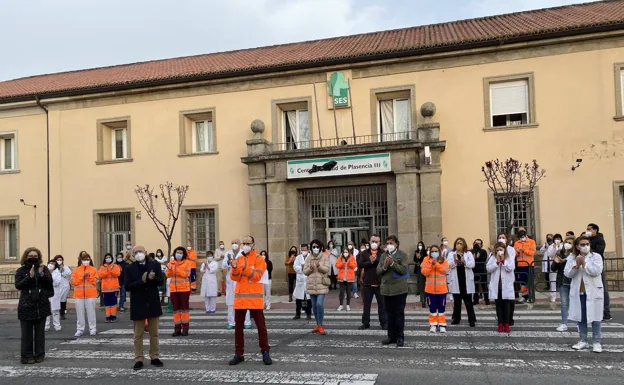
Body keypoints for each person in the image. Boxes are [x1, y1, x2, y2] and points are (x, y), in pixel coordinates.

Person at [228, 236, 272, 366]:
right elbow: (234, 277)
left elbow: (257, 275)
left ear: (253, 244)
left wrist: (242, 268)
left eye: (248, 243)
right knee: (238, 329)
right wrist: (235, 268)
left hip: (254, 299)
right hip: (241, 298)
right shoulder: (238, 259)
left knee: (261, 327)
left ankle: (265, 352)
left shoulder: (259, 259)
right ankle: (238, 354)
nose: (246, 245)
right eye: (244, 243)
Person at [124, 245, 164, 370]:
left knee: (154, 333)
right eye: (135, 252)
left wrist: (153, 279)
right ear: (133, 255)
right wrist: (140, 282)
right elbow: (127, 286)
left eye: (140, 251)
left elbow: (160, 281)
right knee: (138, 334)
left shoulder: (154, 265)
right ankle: (139, 358)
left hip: (152, 301)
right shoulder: (130, 268)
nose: (138, 254)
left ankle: (154, 356)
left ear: (145, 252)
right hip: (138, 302)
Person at [565, 236, 604, 353]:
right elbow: (567, 274)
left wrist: (585, 264)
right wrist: (576, 266)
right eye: (582, 244)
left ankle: (597, 342)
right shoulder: (572, 257)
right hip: (579, 292)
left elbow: (596, 271)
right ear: (577, 247)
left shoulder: (596, 257)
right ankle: (583, 340)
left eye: (587, 244)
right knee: (581, 318)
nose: (586, 246)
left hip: (593, 292)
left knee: (595, 318)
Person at [16, 247, 53, 364]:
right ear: (26, 257)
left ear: (39, 257)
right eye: (30, 256)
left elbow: (50, 283)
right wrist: (29, 277)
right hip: (26, 305)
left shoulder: (43, 268)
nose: (33, 258)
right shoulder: (21, 270)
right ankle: (26, 356)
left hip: (41, 305)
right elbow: (18, 285)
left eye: (35, 256)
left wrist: (43, 275)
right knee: (26, 334)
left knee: (40, 334)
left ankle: (39, 355)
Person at [376, 235, 409, 346]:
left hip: (399, 289)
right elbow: (378, 271)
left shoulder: (402, 255)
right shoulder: (383, 256)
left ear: (396, 244)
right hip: (386, 289)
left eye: (391, 243)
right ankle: (391, 336)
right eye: (387, 243)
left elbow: (404, 270)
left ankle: (400, 337)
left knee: (398, 313)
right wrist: (385, 266)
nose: (389, 245)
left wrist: (393, 264)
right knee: (389, 314)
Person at [358, 235, 387, 330]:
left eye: (376, 242)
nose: (374, 243)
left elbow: (384, 265)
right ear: (370, 242)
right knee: (366, 304)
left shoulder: (383, 253)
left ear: (379, 243)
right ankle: (365, 323)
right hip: (367, 282)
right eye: (373, 241)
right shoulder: (365, 253)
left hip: (380, 282)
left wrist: (375, 261)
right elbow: (360, 264)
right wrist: (370, 262)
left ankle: (384, 323)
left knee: (382, 304)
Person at [222, 239, 252, 329]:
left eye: (236, 243)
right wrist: (228, 262)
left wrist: (237, 264)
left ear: (240, 244)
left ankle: (247, 321)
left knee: (244, 301)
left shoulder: (244, 253)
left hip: (241, 280)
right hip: (231, 281)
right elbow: (223, 265)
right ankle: (231, 322)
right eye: (232, 243)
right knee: (231, 302)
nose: (234, 244)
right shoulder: (228, 253)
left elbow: (247, 264)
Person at [447, 238, 477, 327]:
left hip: (466, 280)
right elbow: (448, 264)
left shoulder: (468, 254)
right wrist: (455, 261)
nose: (459, 245)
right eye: (457, 243)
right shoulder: (451, 254)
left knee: (468, 301)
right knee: (457, 301)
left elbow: (472, 264)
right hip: (456, 280)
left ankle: (471, 320)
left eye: (461, 243)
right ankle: (456, 319)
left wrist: (465, 261)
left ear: (464, 244)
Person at [303, 239, 330, 335]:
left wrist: (319, 266)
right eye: (313, 247)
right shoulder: (308, 258)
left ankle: (321, 324)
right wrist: (310, 268)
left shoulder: (325, 257)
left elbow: (327, 269)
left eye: (317, 247)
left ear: (320, 247)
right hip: (311, 285)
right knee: (314, 306)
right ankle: (318, 324)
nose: (315, 248)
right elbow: (305, 271)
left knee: (319, 304)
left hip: (321, 284)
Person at [488, 242, 515, 333]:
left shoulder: (509, 258)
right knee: (498, 306)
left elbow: (511, 268)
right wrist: (497, 262)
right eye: (498, 249)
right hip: (497, 286)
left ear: (504, 250)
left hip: (506, 286)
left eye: (501, 250)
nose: (499, 251)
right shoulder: (492, 258)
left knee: (507, 306)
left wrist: (503, 261)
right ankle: (500, 323)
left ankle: (506, 324)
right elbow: (489, 268)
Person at [422, 245, 449, 334]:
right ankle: (433, 325)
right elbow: (424, 272)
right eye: (432, 251)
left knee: (441, 309)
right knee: (432, 309)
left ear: (439, 251)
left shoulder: (444, 260)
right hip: (430, 290)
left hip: (442, 290)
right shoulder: (426, 260)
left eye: (436, 251)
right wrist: (431, 265)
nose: (434, 253)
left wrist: (436, 264)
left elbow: (445, 270)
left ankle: (442, 325)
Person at [586, 223, 610, 321]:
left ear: (595, 230)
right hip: (587, 266)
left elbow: (599, 252)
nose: (587, 231)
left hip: (597, 267)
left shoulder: (600, 240)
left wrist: (587, 249)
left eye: (589, 229)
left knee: (602, 288)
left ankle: (606, 312)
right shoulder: (587, 240)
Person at [166, 246, 191, 336]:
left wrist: (175, 269)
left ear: (183, 254)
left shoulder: (187, 263)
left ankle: (185, 329)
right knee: (175, 310)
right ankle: (177, 329)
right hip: (174, 289)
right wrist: (169, 269)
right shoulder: (171, 263)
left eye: (180, 253)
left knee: (184, 309)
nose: (178, 254)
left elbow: (186, 274)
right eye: (177, 252)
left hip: (184, 289)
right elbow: (168, 275)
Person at [551, 235, 575, 331]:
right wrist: (557, 262)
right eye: (566, 242)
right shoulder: (560, 253)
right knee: (564, 304)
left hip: (574, 282)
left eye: (570, 243)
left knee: (577, 303)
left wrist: (566, 260)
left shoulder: (576, 255)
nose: (567, 244)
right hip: (563, 282)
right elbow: (553, 268)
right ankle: (564, 323)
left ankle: (579, 323)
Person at [71, 252, 98, 337]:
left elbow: (96, 281)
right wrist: (82, 277)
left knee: (91, 312)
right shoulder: (76, 270)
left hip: (90, 294)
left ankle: (92, 328)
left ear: (90, 260)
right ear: (81, 260)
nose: (86, 261)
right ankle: (80, 329)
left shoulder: (93, 269)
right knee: (80, 312)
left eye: (87, 259)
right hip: (79, 295)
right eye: (84, 259)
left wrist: (89, 276)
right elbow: (73, 282)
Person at [514, 228, 536, 303]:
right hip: (520, 265)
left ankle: (531, 296)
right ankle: (524, 296)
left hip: (529, 265)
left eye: (523, 236)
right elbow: (514, 254)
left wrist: (524, 250)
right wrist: (517, 252)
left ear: (526, 235)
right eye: (520, 237)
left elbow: (532, 252)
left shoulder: (531, 242)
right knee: (522, 282)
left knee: (530, 281)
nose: (522, 238)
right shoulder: (517, 243)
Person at [98, 253, 121, 323]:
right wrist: (107, 271)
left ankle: (113, 316)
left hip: (114, 288)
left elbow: (117, 274)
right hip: (105, 289)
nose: (108, 259)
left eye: (109, 257)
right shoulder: (102, 267)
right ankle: (108, 316)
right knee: (107, 304)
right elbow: (101, 275)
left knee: (113, 303)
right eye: (107, 258)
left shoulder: (115, 266)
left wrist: (110, 270)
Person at [543, 234, 563, 307]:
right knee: (552, 281)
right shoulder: (551, 246)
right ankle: (553, 296)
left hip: (562, 264)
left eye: (559, 238)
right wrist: (554, 247)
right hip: (553, 264)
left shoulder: (563, 245)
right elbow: (550, 254)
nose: (557, 240)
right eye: (556, 238)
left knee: (561, 280)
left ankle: (562, 295)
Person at [293, 244, 312, 320]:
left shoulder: (311, 257)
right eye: (302, 249)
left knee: (308, 299)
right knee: (298, 299)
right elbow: (295, 267)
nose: (303, 251)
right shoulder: (298, 258)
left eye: (305, 249)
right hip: (300, 281)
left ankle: (308, 314)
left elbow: (312, 267)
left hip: (308, 279)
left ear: (308, 249)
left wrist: (306, 267)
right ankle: (298, 314)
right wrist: (301, 267)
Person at [335, 247, 356, 312]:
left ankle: (348, 305)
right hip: (342, 278)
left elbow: (354, 266)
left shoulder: (352, 257)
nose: (345, 253)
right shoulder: (340, 257)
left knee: (348, 292)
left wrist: (349, 263)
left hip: (349, 278)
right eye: (344, 252)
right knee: (341, 292)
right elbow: (337, 265)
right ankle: (341, 305)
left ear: (349, 252)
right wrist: (343, 263)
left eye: (346, 252)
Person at [51, 255, 71, 320]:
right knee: (56, 299)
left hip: (64, 285)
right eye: (58, 260)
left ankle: (62, 313)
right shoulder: (53, 268)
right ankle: (56, 313)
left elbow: (68, 273)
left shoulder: (65, 267)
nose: (59, 261)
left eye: (60, 260)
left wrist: (62, 270)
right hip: (56, 286)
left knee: (63, 299)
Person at [45, 260, 62, 332]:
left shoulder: (57, 273)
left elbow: (57, 283)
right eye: (50, 263)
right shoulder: (45, 272)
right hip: (46, 292)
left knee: (55, 310)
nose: (51, 265)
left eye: (53, 264)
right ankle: (46, 325)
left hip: (54, 293)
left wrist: (50, 278)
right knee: (46, 310)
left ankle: (57, 325)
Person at [472, 239, 489, 306]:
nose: (477, 244)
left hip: (482, 271)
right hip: (474, 271)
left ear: (481, 245)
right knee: (475, 286)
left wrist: (477, 258)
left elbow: (484, 260)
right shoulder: (471, 251)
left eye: (479, 243)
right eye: (476, 243)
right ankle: (475, 300)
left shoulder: (483, 251)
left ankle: (487, 299)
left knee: (484, 285)